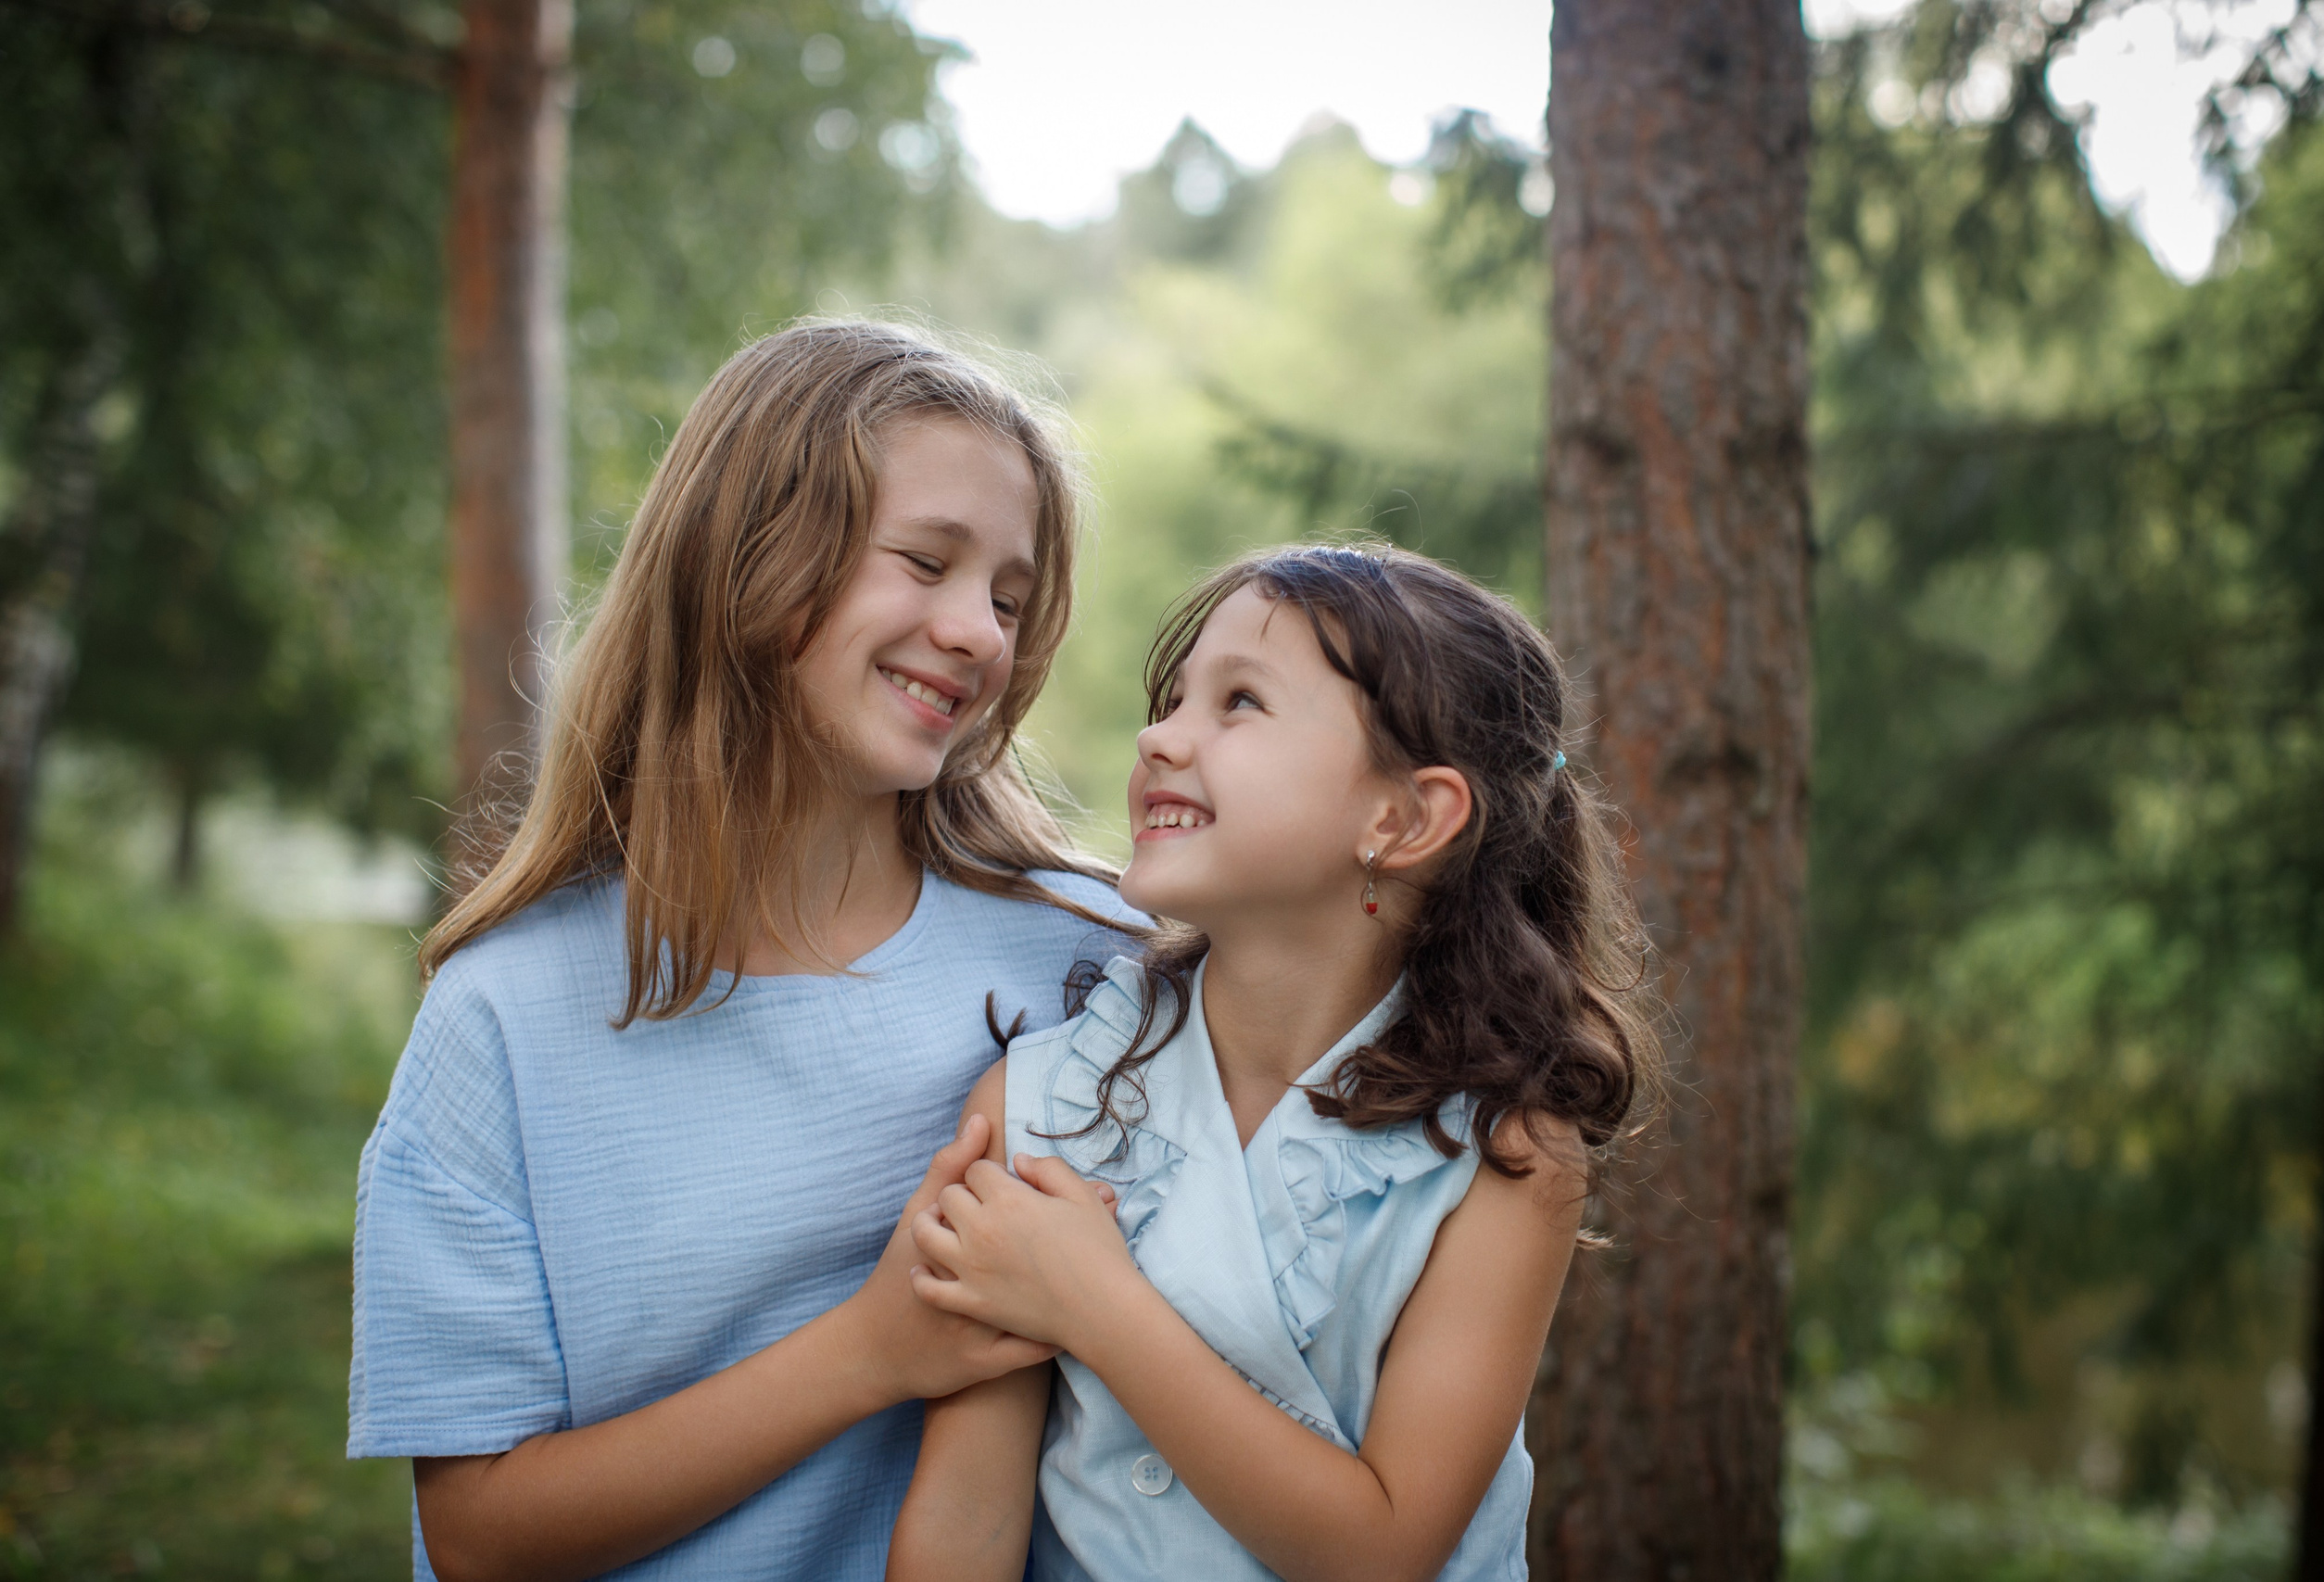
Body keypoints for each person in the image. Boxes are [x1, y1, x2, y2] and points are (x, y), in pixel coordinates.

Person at [346, 320, 1143, 1582]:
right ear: (746, 556)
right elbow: (479, 1532)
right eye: (925, 561)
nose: (982, 633)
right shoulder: (505, 1014)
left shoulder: (1093, 956)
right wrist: (871, 1351)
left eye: (1008, 597)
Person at [884, 544, 1660, 1582]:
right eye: (1171, 701)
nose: (1160, 735)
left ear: (1403, 818)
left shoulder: (1506, 1154)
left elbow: (1384, 1551)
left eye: (1239, 702)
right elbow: (964, 1523)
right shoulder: (1040, 1104)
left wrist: (1095, 1304)